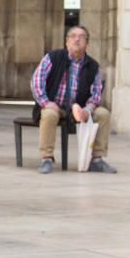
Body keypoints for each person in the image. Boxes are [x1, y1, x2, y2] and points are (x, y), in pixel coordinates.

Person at [30, 24, 115, 174]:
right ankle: (47, 158)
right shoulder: (53, 57)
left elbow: (96, 93)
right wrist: (45, 102)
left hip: (80, 108)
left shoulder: (93, 66)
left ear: (87, 43)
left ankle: (97, 160)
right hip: (56, 106)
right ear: (66, 42)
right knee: (49, 114)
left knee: (103, 114)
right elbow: (37, 81)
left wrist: (87, 110)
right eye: (73, 36)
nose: (77, 39)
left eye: (82, 37)